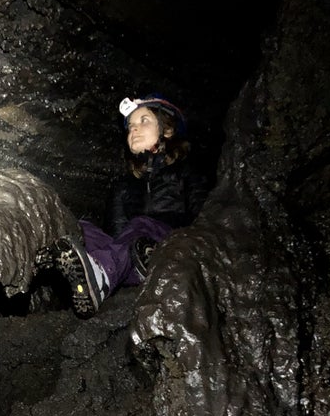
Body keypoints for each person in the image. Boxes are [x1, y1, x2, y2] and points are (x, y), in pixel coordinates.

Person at [38, 93, 209, 317]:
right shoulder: (124, 187)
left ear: (167, 130)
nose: (134, 129)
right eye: (130, 127)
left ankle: (103, 279)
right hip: (133, 253)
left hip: (172, 245)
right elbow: (117, 236)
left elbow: (205, 219)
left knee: (141, 225)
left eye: (143, 121)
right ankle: (88, 272)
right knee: (81, 228)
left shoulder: (187, 172)